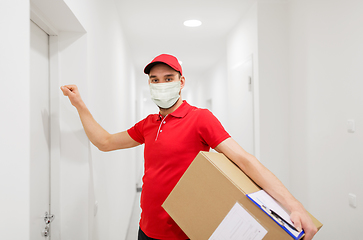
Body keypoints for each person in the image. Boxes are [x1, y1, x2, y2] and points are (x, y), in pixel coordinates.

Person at [61, 54, 318, 240]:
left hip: (186, 231)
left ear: (181, 82)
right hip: (147, 230)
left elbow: (244, 160)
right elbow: (104, 142)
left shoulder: (200, 118)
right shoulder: (148, 124)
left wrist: (293, 205)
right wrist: (79, 105)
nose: (161, 85)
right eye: (155, 80)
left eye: (168, 78)